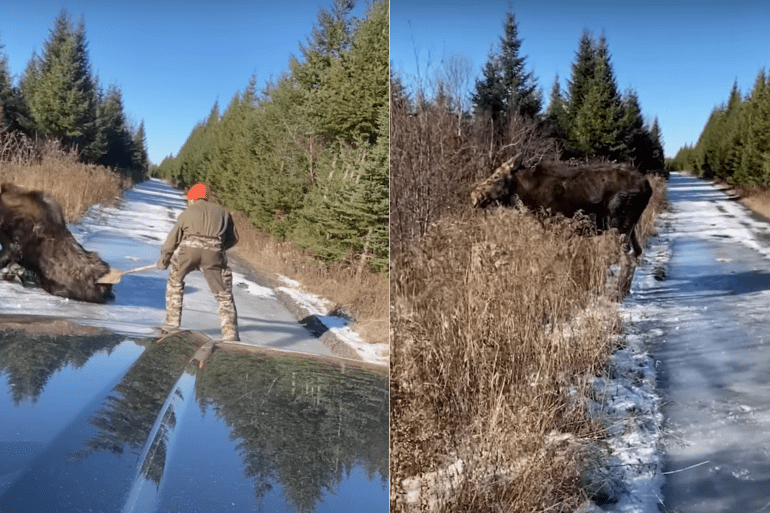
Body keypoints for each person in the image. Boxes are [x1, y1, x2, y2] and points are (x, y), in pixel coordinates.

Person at [156, 183, 240, 341]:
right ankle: (230, 336)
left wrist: (164, 260)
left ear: (193, 198)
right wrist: (218, 248)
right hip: (214, 254)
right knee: (224, 295)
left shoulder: (188, 212)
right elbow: (234, 238)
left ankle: (172, 325)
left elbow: (172, 241)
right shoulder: (223, 212)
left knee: (175, 281)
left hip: (188, 252)